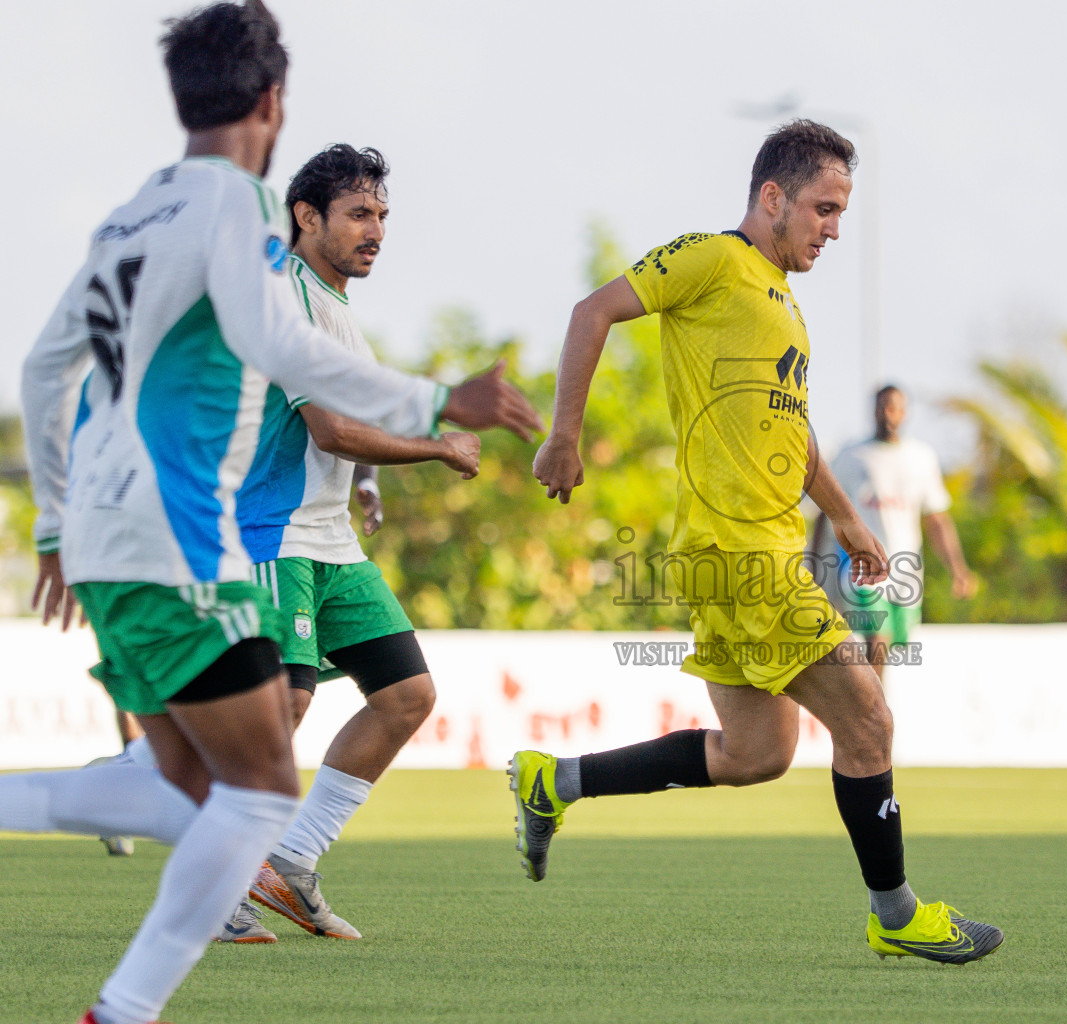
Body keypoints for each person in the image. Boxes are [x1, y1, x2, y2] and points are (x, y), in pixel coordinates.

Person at [1, 5, 540, 1023]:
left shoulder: (133, 212)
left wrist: (55, 526)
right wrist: (437, 404)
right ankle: (127, 1006)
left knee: (195, 785)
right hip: (188, 537)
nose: (375, 232)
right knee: (250, 789)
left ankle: (148, 984)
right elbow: (288, 360)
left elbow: (41, 367)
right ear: (272, 102)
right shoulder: (237, 213)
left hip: (120, 535)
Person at [521, 120, 1002, 964]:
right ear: (772, 197)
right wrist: (564, 433)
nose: (834, 228)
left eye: (843, 212)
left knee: (757, 753)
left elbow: (794, 432)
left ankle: (553, 782)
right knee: (869, 719)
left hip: (757, 550)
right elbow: (592, 310)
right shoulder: (710, 259)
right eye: (823, 207)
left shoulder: (784, 303)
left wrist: (848, 519)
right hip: (738, 551)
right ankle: (898, 915)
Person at [217, 142, 484, 943]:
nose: (376, 230)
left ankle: (290, 863)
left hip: (329, 540)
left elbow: (344, 432)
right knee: (282, 706)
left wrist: (365, 480)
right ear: (308, 216)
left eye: (382, 216)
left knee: (407, 696)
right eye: (360, 214)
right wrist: (437, 447)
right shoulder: (286, 299)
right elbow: (331, 424)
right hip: (274, 532)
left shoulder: (336, 310)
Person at [810, 385, 976, 682]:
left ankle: (870, 708)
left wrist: (958, 568)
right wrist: (814, 563)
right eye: (882, 407)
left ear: (905, 412)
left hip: (905, 567)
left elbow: (937, 518)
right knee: (878, 636)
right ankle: (873, 715)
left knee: (890, 645)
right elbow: (827, 509)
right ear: (873, 410)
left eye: (895, 408)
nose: (888, 414)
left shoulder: (921, 457)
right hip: (861, 565)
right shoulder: (852, 455)